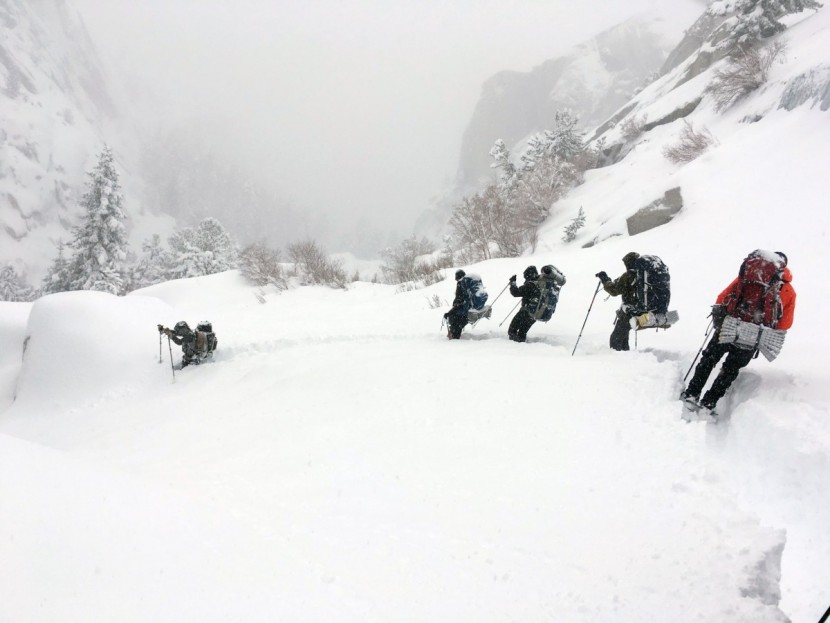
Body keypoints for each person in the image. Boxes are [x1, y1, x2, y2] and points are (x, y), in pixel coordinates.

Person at [681, 251, 796, 415]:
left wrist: (722, 316)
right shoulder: (788, 290)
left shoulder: (750, 276)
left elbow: (723, 296)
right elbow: (785, 323)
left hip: (729, 326)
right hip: (752, 337)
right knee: (730, 370)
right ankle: (709, 403)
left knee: (709, 359)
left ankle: (691, 394)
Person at [595, 251, 641, 351]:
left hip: (630, 312)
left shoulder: (629, 276)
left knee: (615, 340)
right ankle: (625, 355)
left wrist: (604, 279)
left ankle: (617, 361)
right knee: (623, 337)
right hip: (643, 311)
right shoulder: (645, 275)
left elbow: (614, 290)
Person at [507, 265, 541, 342]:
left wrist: (513, 282)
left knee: (512, 331)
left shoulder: (530, 285)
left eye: (526, 276)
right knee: (522, 332)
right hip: (535, 313)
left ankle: (513, 348)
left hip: (525, 312)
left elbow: (515, 293)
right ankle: (522, 348)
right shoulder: (540, 284)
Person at [444, 269, 470, 339]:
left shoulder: (461, 284)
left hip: (464, 311)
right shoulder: (467, 284)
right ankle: (454, 334)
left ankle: (454, 337)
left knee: (454, 319)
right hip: (469, 309)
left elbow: (459, 302)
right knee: (457, 320)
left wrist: (449, 312)